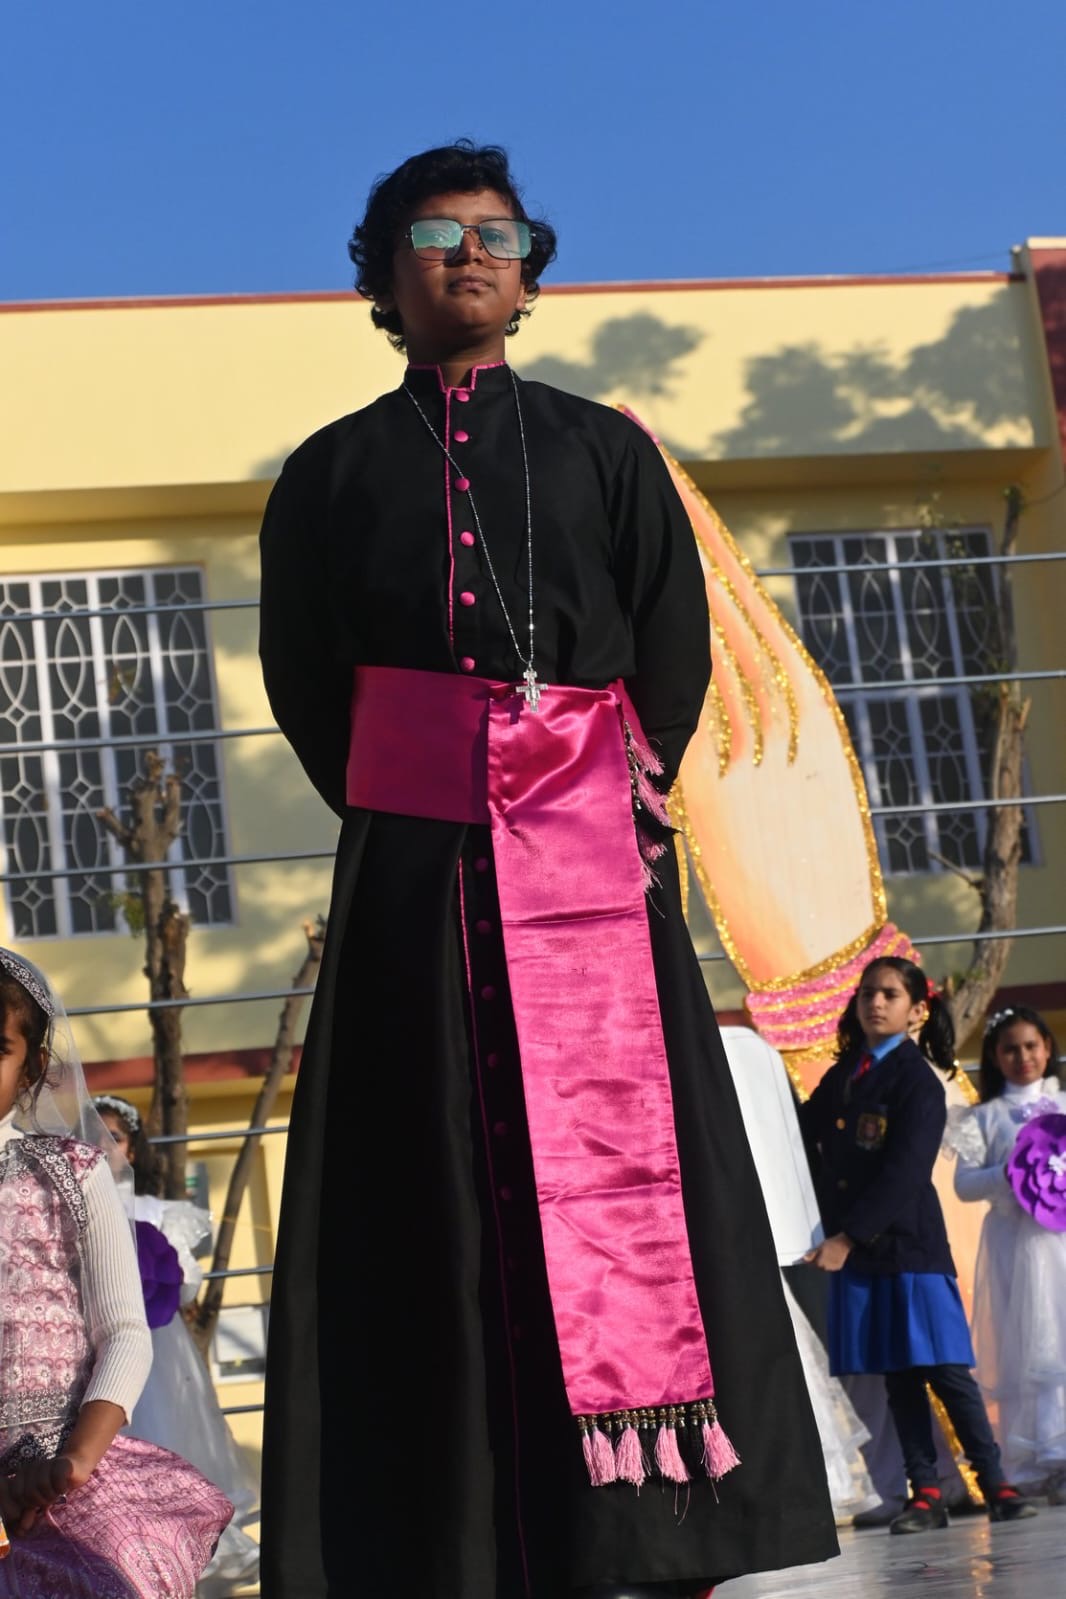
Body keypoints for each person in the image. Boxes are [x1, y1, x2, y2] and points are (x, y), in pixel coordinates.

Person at [258, 140, 838, 1599]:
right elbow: (310, 684)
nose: (470, 253)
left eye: (498, 235)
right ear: (382, 275)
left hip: (591, 874)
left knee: (636, 1186)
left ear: (529, 277)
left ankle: (654, 1529)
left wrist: (596, 791)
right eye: (435, 233)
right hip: (415, 883)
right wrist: (428, 799)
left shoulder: (603, 449)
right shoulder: (328, 474)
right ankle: (450, 1536)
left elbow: (669, 649)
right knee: (429, 1188)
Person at [0, 947, 233, 1597]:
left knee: (116, 1575)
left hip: (66, 1469)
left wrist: (75, 1460)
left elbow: (125, 1331)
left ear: (32, 1067)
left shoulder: (73, 1174)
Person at [800, 955, 1038, 1534]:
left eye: (889, 994)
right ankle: (925, 1492)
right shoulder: (847, 1072)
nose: (875, 1003)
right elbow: (806, 1131)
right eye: (867, 993)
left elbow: (906, 1171)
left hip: (908, 1248)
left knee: (945, 1369)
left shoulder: (917, 1079)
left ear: (916, 1010)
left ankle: (996, 1483)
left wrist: (847, 1236)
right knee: (898, 1375)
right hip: (864, 1253)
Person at [94, 1093, 262, 1595]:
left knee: (165, 1436)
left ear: (133, 1147)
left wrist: (158, 1271)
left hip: (160, 1350)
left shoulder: (158, 1212)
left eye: (114, 1138)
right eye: (93, 1137)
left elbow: (187, 1283)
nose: (103, 1148)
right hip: (99, 1348)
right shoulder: (76, 1208)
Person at [948, 1006, 1066, 1500]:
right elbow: (964, 1185)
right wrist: (1013, 1173)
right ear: (995, 1057)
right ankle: (1042, 1458)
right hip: (1015, 1244)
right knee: (1029, 1344)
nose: (1023, 1057)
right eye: (1010, 1049)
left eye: (1031, 1046)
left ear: (1047, 1048)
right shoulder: (983, 1118)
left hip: (1061, 1241)